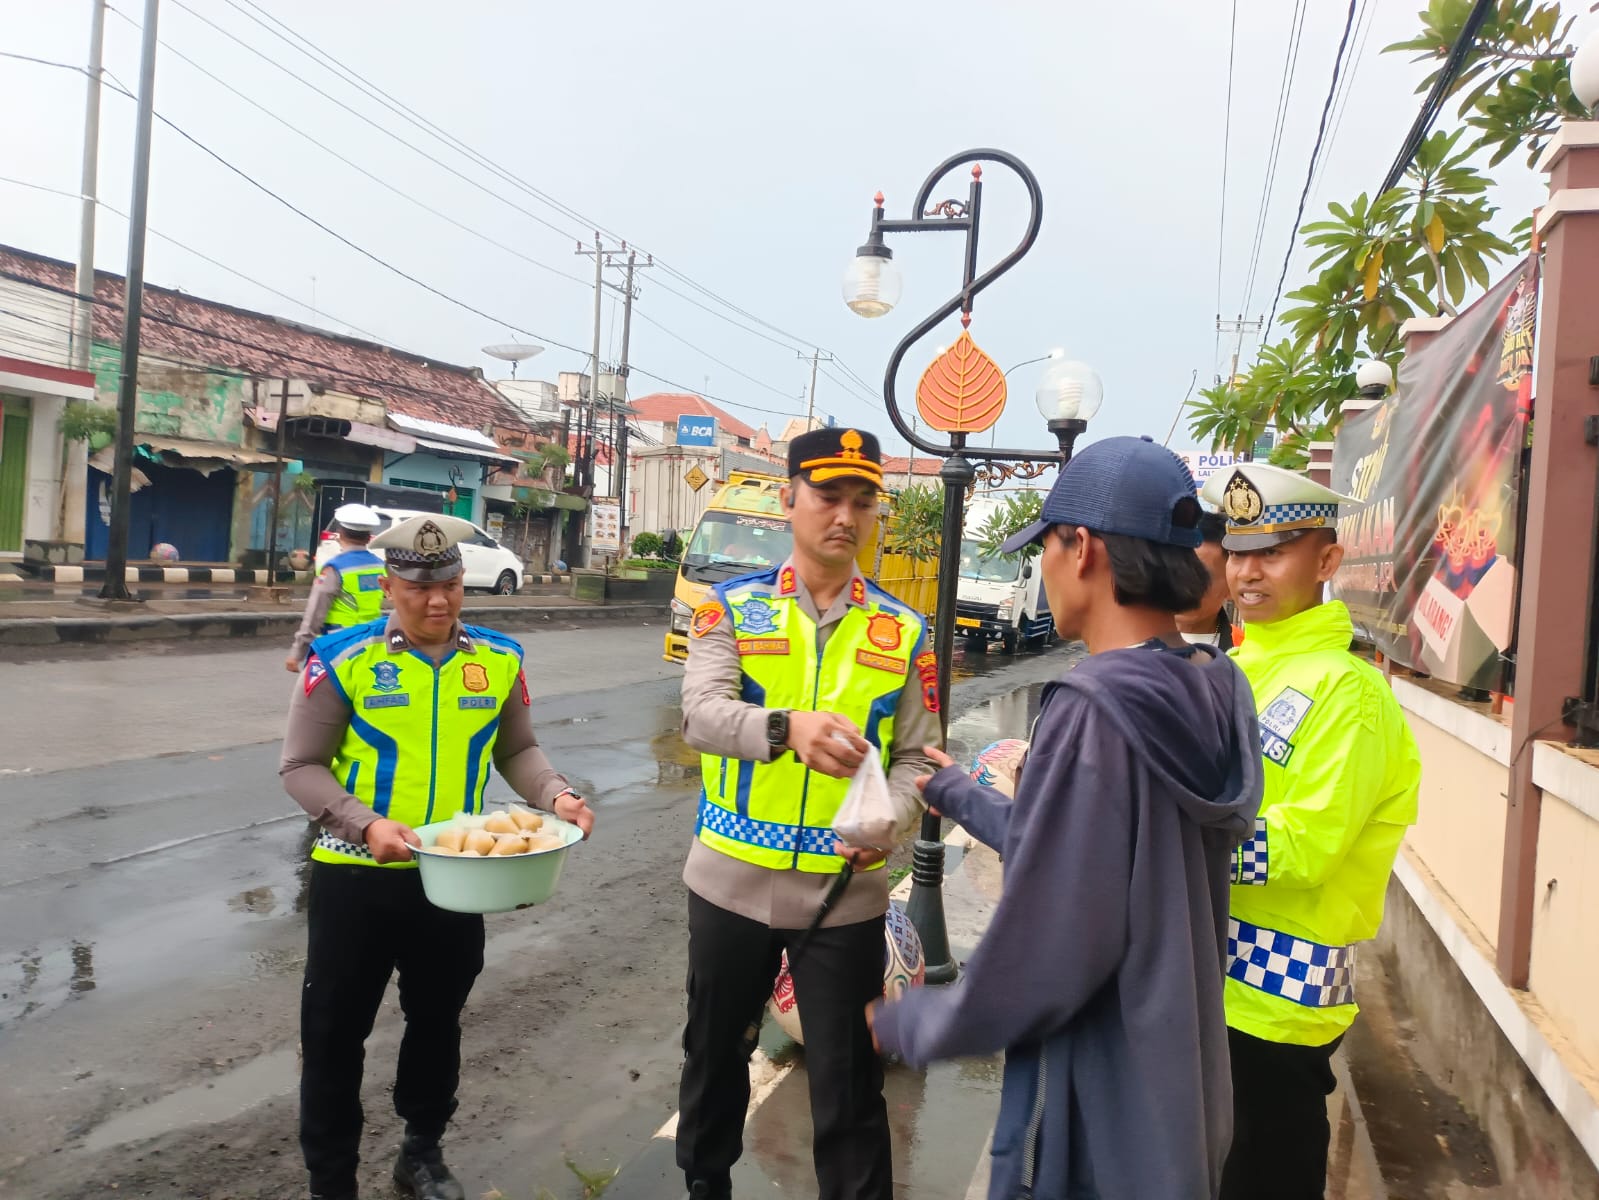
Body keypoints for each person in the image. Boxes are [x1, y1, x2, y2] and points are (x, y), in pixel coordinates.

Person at [868, 436, 1264, 1200]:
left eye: (1044, 545)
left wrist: (912, 1024)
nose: (1041, 567)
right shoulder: (1218, 689)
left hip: (1101, 1099)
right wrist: (953, 792)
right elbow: (1081, 860)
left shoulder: (1095, 710)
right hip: (1180, 1086)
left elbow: (1050, 946)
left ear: (1080, 548)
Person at [279, 513, 596, 1200]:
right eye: (420, 588)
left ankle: (421, 1152)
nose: (438, 602)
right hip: (354, 880)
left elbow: (517, 750)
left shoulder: (497, 660)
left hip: (455, 882)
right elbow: (301, 767)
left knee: (435, 1022)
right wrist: (366, 826)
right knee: (334, 1036)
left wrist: (558, 794)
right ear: (391, 585)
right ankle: (330, 1181)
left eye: (450, 585)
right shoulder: (341, 659)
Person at [677, 427, 938, 1200]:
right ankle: (703, 1186)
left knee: (848, 1075)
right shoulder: (729, 610)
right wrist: (786, 728)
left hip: (842, 894)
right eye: (828, 496)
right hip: (729, 878)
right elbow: (700, 715)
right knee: (714, 1051)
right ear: (788, 498)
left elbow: (918, 757)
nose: (844, 517)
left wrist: (887, 820)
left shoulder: (903, 631)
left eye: (863, 502)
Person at [1199, 463, 1420, 1200]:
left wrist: (1165, 840)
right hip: (1202, 986)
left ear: (1326, 561)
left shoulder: (1346, 692)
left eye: (1272, 550)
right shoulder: (1234, 670)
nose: (1247, 572)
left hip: (1274, 1005)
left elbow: (1306, 845)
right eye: (1236, 550)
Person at [285, 503, 387, 673]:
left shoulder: (334, 568)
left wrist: (298, 652)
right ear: (369, 537)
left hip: (338, 644)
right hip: (371, 642)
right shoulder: (379, 566)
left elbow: (315, 613)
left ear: (340, 534)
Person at [1179, 510, 1235, 649]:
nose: (1182, 585)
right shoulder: (1125, 641)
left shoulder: (1243, 651)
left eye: (1200, 575)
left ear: (1231, 587)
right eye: (1176, 570)